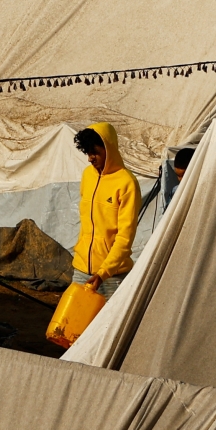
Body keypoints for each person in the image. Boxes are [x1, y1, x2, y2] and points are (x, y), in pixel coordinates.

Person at [72, 123, 141, 301]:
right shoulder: (87, 175)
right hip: (81, 271)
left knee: (108, 328)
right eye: (87, 153)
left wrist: (104, 273)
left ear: (108, 150)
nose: (90, 158)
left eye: (95, 153)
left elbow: (125, 237)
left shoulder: (127, 183)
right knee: (72, 327)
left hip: (112, 277)